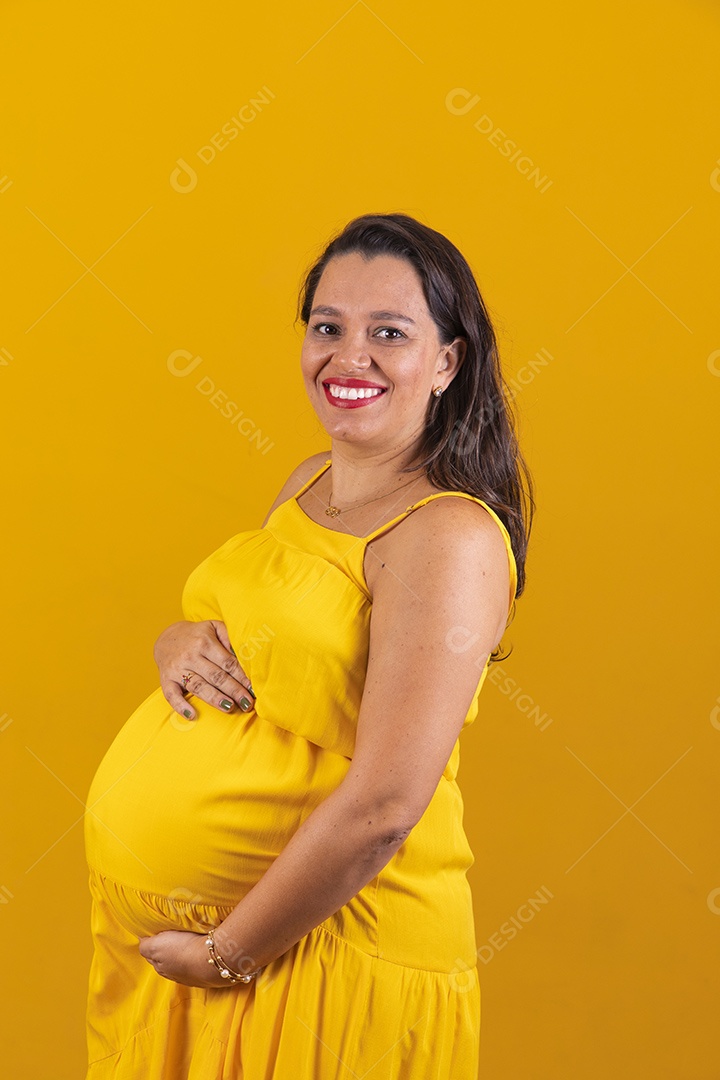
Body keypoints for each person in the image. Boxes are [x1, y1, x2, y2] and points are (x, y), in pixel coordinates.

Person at [83, 211, 534, 1079]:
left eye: (388, 334)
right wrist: (176, 641)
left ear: (447, 362)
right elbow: (267, 642)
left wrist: (229, 953)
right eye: (328, 327)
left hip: (321, 961)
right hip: (207, 960)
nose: (348, 356)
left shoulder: (447, 539)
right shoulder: (309, 481)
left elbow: (385, 808)